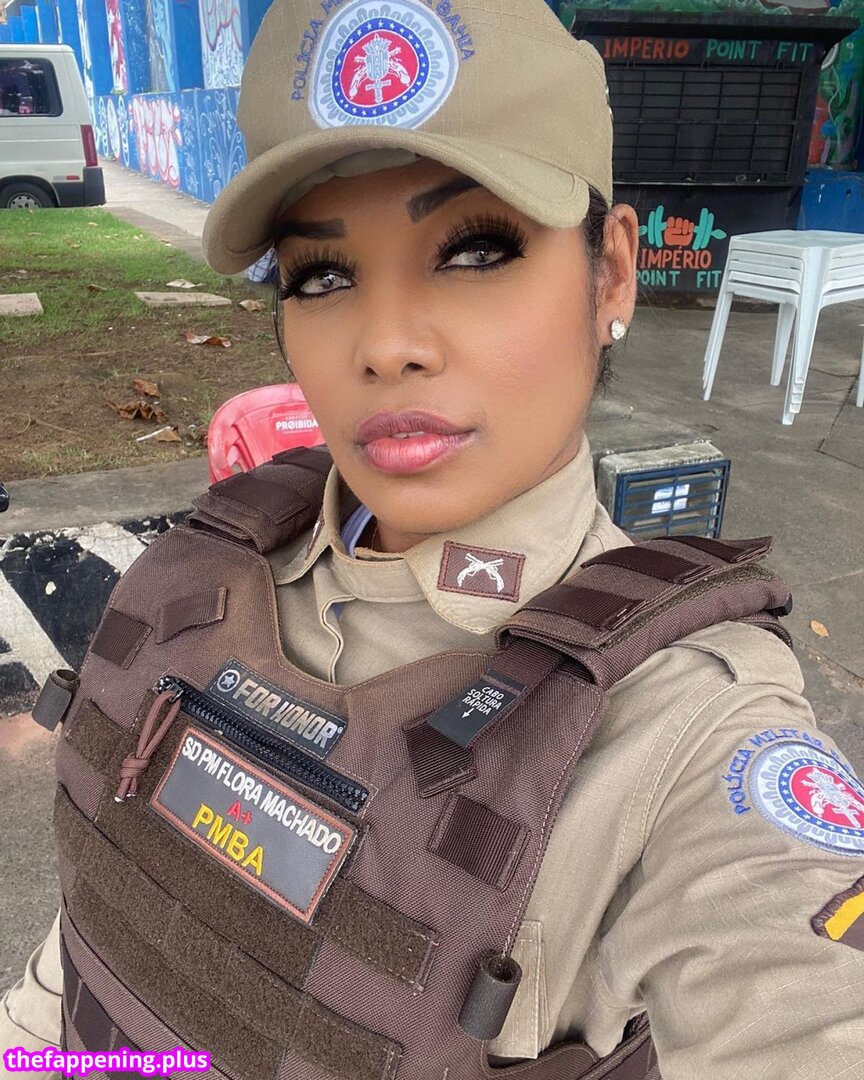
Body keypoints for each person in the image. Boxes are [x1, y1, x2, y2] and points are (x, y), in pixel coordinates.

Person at [3, 1, 864, 1077]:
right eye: (323, 275)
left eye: (474, 251)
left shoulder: (683, 730)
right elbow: (92, 941)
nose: (387, 344)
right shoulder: (211, 569)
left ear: (611, 273)